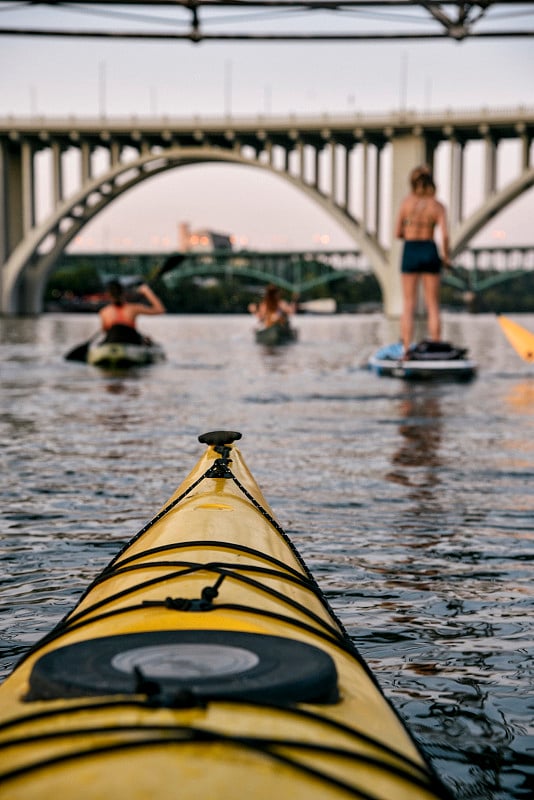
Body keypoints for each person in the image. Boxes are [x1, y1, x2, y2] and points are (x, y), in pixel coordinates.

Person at [394, 165, 450, 358]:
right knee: (432, 304)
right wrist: (447, 257)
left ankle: (407, 349)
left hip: (411, 249)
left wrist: (410, 228)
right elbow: (445, 236)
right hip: (429, 248)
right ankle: (436, 346)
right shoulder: (437, 205)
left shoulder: (406, 204)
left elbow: (397, 233)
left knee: (409, 304)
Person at [99, 280, 165, 343]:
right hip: (131, 341)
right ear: (123, 293)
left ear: (108, 295)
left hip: (112, 341)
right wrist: (146, 291)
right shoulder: (133, 308)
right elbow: (160, 309)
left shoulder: (104, 312)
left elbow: (105, 330)